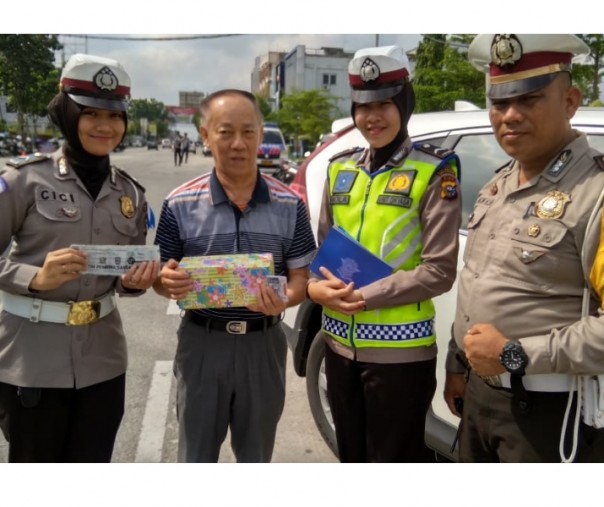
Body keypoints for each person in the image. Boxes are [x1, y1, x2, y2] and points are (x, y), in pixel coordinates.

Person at [444, 34, 604, 463]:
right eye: (499, 103)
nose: (509, 116)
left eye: (530, 99)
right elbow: (476, 282)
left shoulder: (596, 193)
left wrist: (515, 354)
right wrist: (457, 364)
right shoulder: (499, 184)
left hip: (551, 416)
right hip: (480, 399)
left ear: (571, 100)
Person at [0, 53, 160, 462]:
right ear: (67, 114)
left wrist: (133, 282)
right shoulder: (23, 181)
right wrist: (34, 277)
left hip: (103, 361)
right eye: (90, 114)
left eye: (115, 116)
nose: (105, 126)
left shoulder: (131, 194)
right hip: (31, 360)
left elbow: (124, 276)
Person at [306, 45, 462, 462]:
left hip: (400, 355)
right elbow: (321, 253)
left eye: (383, 104)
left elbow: (439, 271)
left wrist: (364, 296)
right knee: (351, 457)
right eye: (362, 106)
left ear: (404, 102)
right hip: (337, 347)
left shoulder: (435, 170)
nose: (371, 116)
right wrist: (318, 289)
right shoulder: (341, 168)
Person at [152, 89, 316, 463]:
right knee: (195, 456)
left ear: (261, 134)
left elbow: (300, 279)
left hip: (264, 345)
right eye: (225, 132)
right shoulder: (179, 203)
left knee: (256, 457)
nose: (238, 143)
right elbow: (161, 276)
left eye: (248, 131)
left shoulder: (290, 204)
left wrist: (286, 298)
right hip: (201, 344)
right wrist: (166, 283)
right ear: (205, 135)